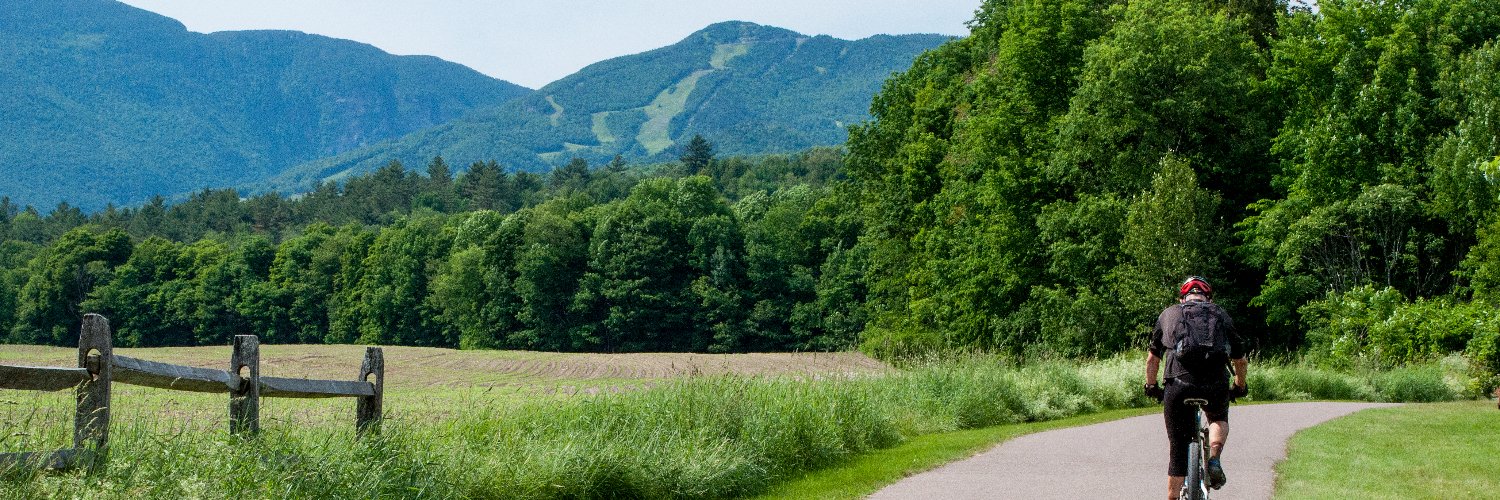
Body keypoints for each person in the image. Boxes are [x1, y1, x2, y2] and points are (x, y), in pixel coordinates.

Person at [1143, 276, 1248, 499]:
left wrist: (1151, 386)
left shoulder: (1169, 314)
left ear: (1182, 298)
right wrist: (1239, 385)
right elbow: (1240, 360)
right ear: (1208, 298)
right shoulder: (1220, 314)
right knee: (1218, 418)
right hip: (1215, 385)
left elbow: (1152, 360)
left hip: (1178, 384)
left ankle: (1172, 497)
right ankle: (1214, 459)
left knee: (1178, 447)